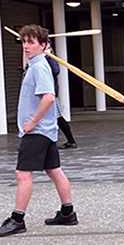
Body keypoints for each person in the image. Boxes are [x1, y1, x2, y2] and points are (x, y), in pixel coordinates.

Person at [0, 25, 78, 238]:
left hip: (37, 132)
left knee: (22, 174)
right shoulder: (34, 64)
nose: (26, 46)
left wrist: (33, 122)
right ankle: (67, 213)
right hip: (45, 130)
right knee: (54, 170)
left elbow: (48, 97)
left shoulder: (40, 67)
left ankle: (17, 220)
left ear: (43, 45)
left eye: (31, 42)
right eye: (24, 41)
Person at [44, 48, 78, 149]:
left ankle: (71, 141)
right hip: (43, 93)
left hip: (50, 93)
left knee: (58, 117)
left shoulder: (49, 58)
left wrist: (48, 56)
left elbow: (56, 70)